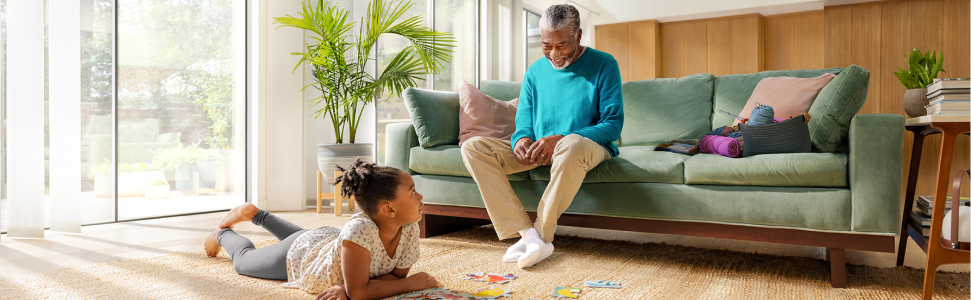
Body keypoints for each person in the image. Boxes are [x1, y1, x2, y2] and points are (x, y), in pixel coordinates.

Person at [460, 4, 623, 269]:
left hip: (585, 146)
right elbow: (523, 122)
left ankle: (543, 234)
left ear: (579, 35)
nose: (554, 54)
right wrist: (521, 140)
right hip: (542, 150)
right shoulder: (535, 71)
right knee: (473, 147)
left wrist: (560, 139)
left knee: (570, 144)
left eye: (562, 45)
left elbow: (613, 124)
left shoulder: (604, 64)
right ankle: (529, 235)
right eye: (547, 45)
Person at [203, 158, 438, 300]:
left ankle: (256, 214)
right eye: (413, 192)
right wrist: (410, 284)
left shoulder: (409, 228)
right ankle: (223, 234)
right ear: (388, 209)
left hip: (322, 243)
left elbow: (392, 277)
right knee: (244, 262)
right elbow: (362, 293)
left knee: (304, 238)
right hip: (300, 256)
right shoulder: (360, 230)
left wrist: (347, 289)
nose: (420, 197)